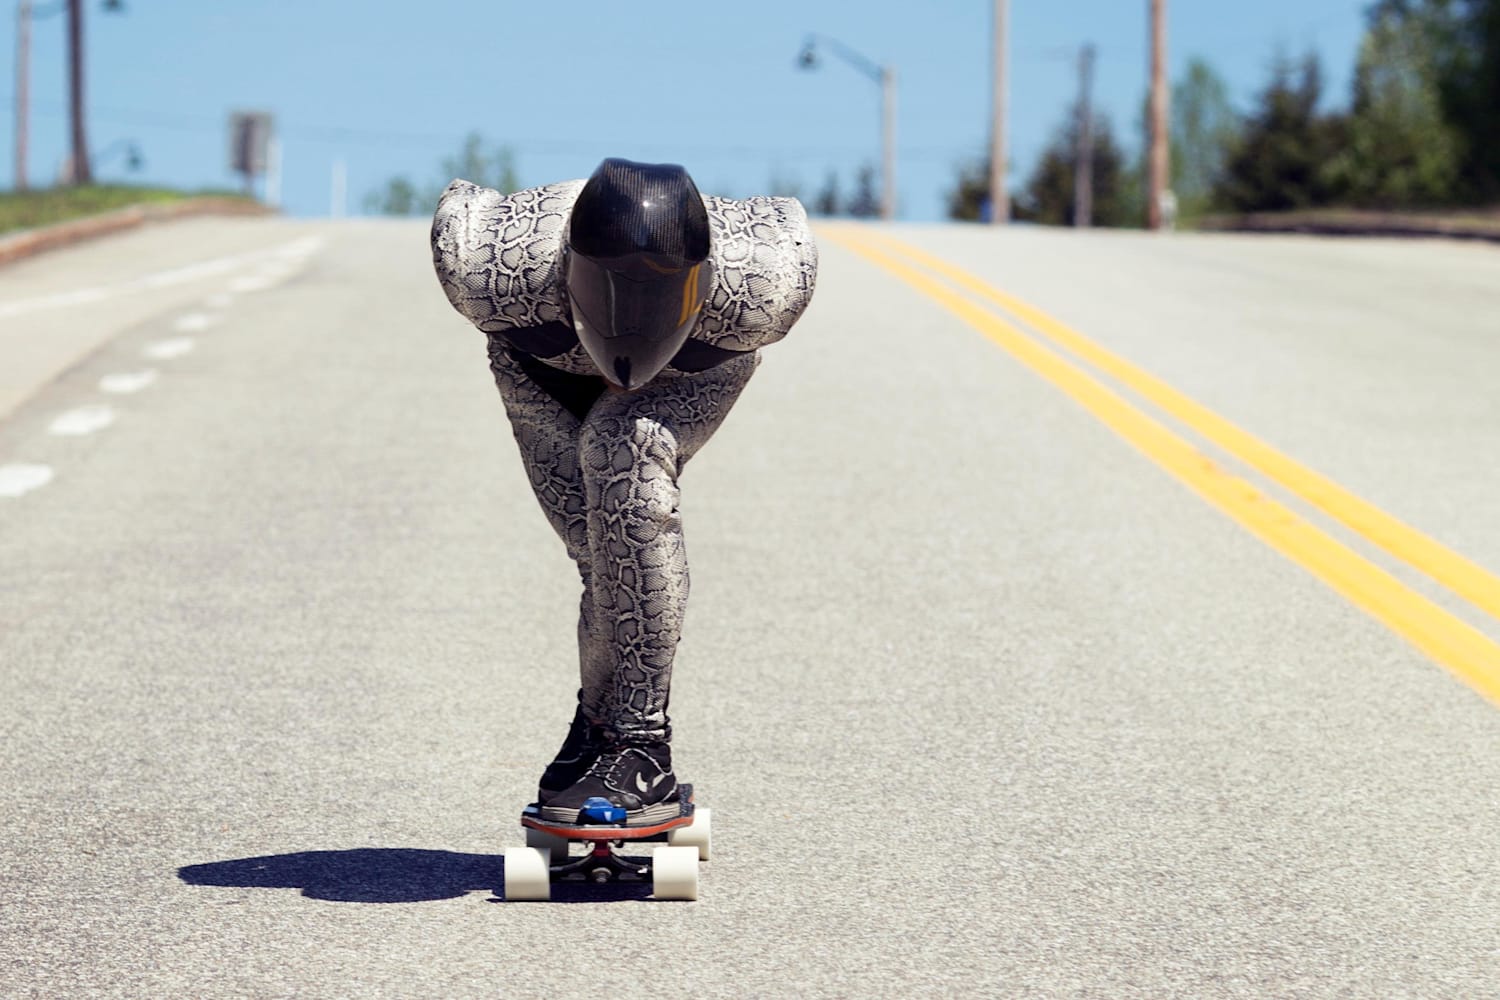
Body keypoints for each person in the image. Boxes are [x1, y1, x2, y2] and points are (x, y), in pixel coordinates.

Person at [431, 158, 817, 824]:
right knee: (600, 549)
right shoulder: (487, 266)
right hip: (540, 365)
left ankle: (641, 747)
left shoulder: (763, 285)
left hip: (695, 369)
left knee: (625, 460)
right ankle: (599, 728)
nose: (632, 320)